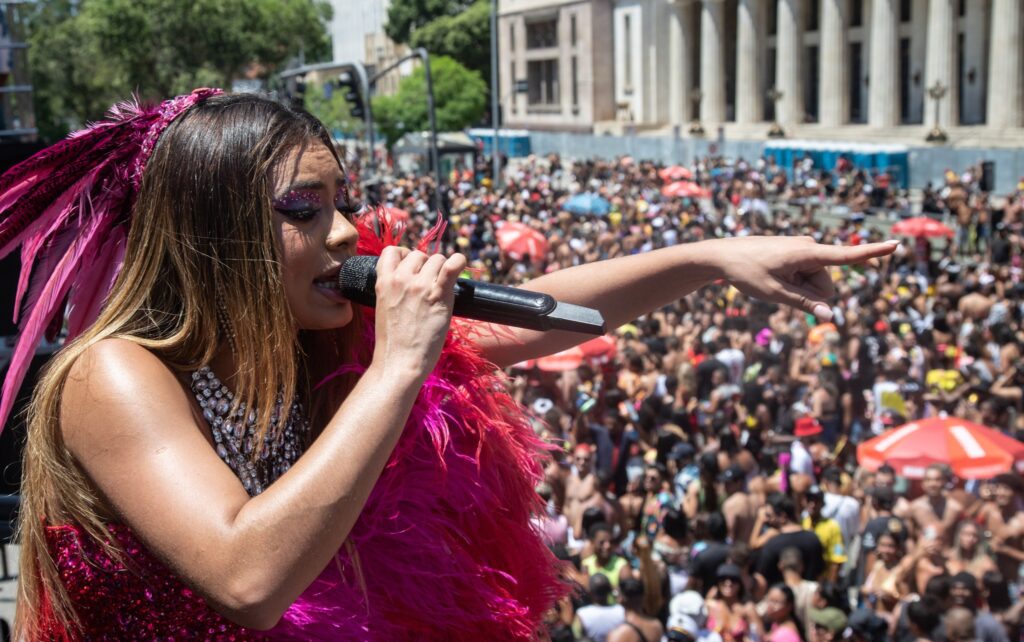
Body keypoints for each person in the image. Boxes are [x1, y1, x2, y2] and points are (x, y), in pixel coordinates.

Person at [1, 90, 900, 638]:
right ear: (213, 232)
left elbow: (525, 319)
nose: (346, 233)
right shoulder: (113, 375)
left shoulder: (315, 345)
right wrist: (397, 365)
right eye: (303, 208)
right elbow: (247, 579)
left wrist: (712, 258)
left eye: (343, 201)